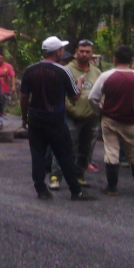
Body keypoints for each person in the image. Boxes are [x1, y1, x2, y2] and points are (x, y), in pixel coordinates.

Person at [20, 36, 96, 201]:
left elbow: (24, 96)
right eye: (62, 49)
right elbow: (75, 97)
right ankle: (76, 191)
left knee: (38, 155)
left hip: (35, 118)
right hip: (56, 120)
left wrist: (24, 118)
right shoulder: (63, 71)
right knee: (65, 155)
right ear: (57, 52)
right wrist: (79, 82)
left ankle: (41, 189)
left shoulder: (30, 70)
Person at [88, 45, 134, 195]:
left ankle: (112, 187)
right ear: (131, 60)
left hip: (110, 119)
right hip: (132, 121)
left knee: (111, 152)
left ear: (115, 59)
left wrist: (101, 111)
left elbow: (92, 98)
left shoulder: (106, 76)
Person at [49, 39, 101, 191]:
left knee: (85, 149)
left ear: (92, 54)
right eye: (81, 51)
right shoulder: (66, 70)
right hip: (71, 116)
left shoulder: (96, 72)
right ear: (76, 52)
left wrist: (99, 107)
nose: (84, 54)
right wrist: (71, 109)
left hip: (91, 117)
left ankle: (79, 175)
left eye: (88, 51)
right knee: (65, 146)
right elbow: (59, 93)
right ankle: (55, 177)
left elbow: (102, 91)